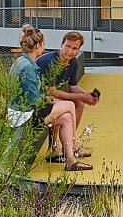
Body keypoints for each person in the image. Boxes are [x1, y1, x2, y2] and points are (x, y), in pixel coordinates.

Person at [8, 24, 88, 171]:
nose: (44, 47)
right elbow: (33, 100)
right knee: (69, 106)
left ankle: (71, 160)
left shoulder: (22, 61)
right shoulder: (28, 67)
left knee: (66, 118)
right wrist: (47, 99)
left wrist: (47, 99)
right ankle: (74, 145)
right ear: (37, 45)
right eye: (43, 44)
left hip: (24, 112)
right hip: (26, 115)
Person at [39, 30, 100, 158]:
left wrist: (86, 95)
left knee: (79, 103)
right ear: (61, 45)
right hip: (39, 100)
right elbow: (51, 91)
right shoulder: (48, 62)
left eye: (74, 48)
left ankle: (70, 140)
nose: (70, 51)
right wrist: (81, 96)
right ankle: (58, 147)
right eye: (67, 46)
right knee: (64, 105)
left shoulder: (73, 62)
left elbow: (73, 87)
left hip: (50, 99)